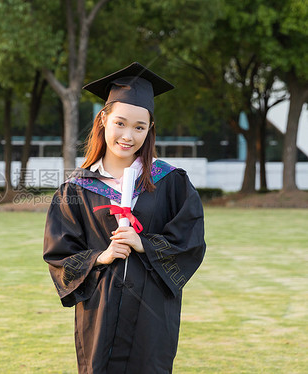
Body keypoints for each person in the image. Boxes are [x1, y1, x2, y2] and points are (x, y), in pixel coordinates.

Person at [43, 62, 206, 373]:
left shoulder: (171, 182)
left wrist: (144, 244)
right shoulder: (75, 189)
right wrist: (101, 257)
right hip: (99, 313)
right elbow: (59, 256)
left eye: (139, 127)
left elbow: (191, 242)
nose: (128, 136)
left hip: (153, 318)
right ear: (103, 120)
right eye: (120, 123)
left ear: (150, 128)